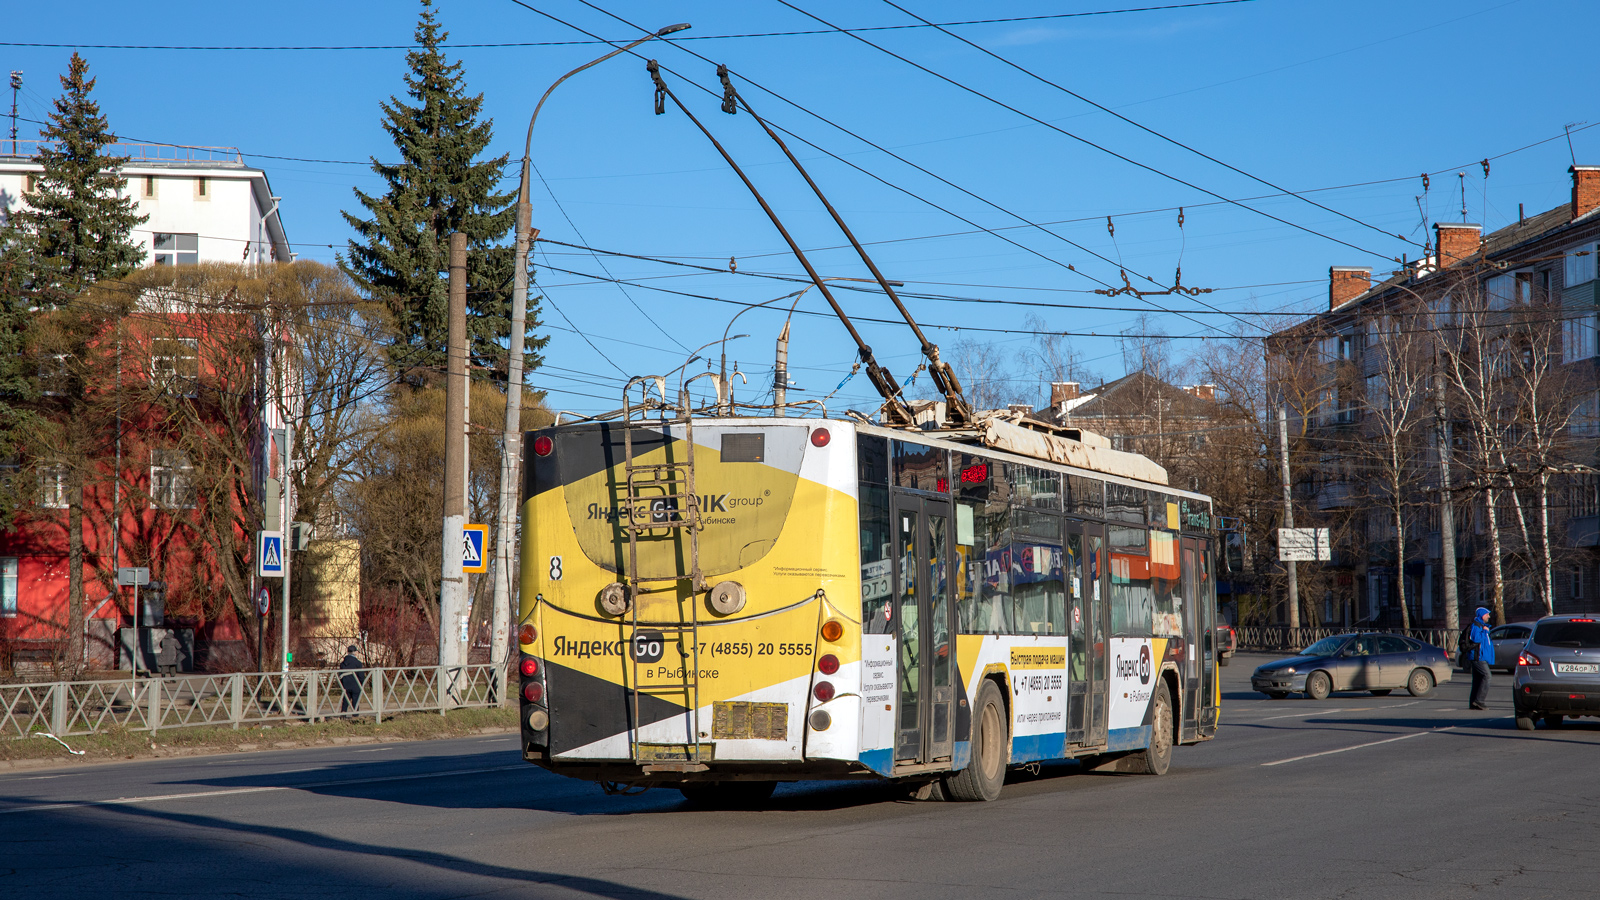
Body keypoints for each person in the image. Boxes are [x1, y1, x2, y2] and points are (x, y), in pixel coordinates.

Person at [1466, 607, 1496, 710]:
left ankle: (1473, 702)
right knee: (1487, 676)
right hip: (1478, 657)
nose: (1489, 616)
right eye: (1487, 614)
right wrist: (1484, 632)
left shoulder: (1482, 626)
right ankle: (1479, 701)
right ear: (1482, 615)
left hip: (1480, 656)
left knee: (1478, 680)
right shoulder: (1477, 625)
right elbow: (1476, 639)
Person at [339, 645, 365, 714]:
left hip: (345, 684)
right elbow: (361, 675)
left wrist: (342, 683)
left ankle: (343, 714)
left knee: (345, 700)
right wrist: (361, 683)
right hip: (355, 684)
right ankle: (355, 715)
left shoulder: (342, 664)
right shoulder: (358, 663)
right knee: (355, 701)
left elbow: (340, 674)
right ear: (354, 652)